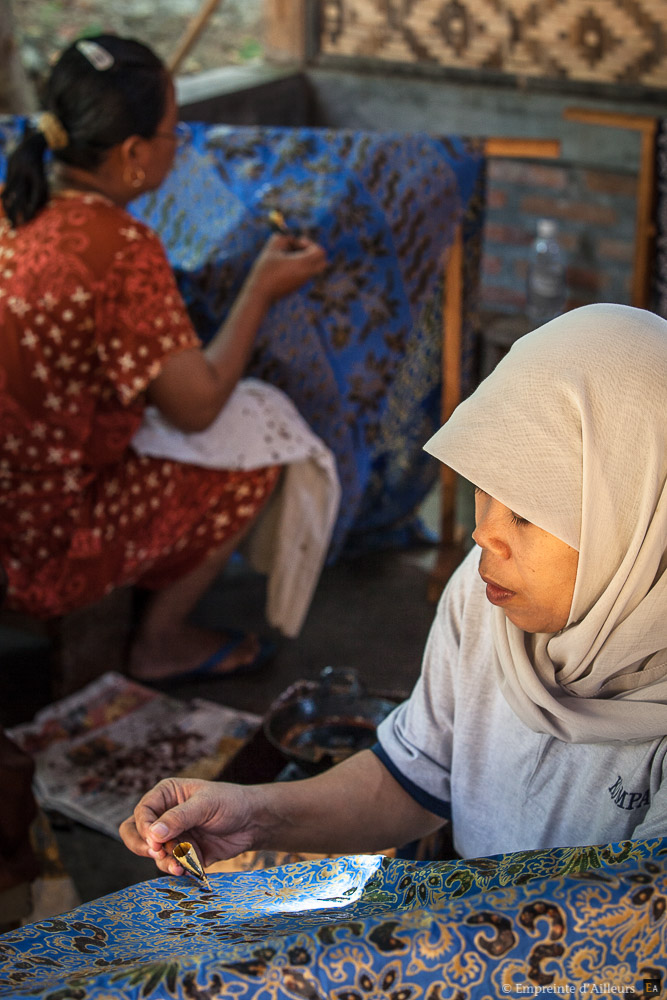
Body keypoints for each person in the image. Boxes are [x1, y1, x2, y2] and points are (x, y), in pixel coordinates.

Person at [120, 302, 667, 870]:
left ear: (639, 522)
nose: (483, 534)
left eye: (525, 515)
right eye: (482, 488)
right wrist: (254, 815)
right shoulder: (484, 601)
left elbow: (631, 934)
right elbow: (413, 776)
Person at [0, 35, 327, 682]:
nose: (178, 147)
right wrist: (259, 290)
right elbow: (198, 408)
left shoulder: (13, 210)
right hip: (41, 551)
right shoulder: (119, 246)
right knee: (262, 429)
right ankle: (161, 639)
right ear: (131, 155)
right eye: (173, 133)